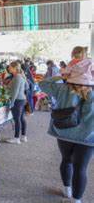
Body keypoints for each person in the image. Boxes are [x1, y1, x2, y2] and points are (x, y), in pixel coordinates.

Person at [39, 59, 93, 203]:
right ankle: (77, 200)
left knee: (66, 161)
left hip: (64, 132)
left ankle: (67, 190)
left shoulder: (63, 88)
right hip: (88, 137)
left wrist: (61, 77)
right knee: (81, 168)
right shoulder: (92, 93)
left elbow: (42, 84)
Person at [5, 61, 28, 144]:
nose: (9, 68)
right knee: (21, 118)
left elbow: (15, 92)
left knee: (17, 119)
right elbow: (27, 87)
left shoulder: (17, 77)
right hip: (21, 99)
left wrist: (12, 103)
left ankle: (16, 138)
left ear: (15, 68)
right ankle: (23, 136)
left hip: (18, 100)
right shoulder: (20, 76)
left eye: (10, 67)